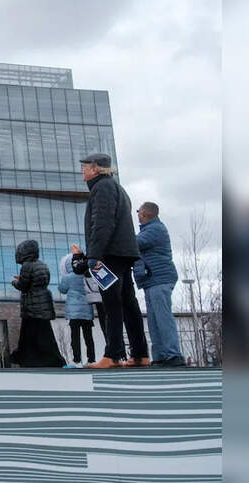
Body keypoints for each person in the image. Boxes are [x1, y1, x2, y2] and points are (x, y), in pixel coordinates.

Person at [78, 153, 148, 369]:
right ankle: (139, 354)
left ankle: (113, 355)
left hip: (110, 255)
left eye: (85, 166)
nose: (83, 170)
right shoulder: (117, 188)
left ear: (96, 169)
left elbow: (102, 223)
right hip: (123, 254)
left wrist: (94, 255)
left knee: (112, 303)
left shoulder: (103, 188)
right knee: (128, 303)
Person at [134, 202, 185, 367]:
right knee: (154, 321)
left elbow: (134, 243)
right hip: (152, 280)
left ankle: (173, 355)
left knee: (162, 318)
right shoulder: (151, 229)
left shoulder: (154, 230)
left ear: (144, 214)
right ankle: (161, 356)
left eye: (138, 212)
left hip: (160, 279)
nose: (137, 215)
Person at [9, 240, 65, 367]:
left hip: (32, 304)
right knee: (45, 334)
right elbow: (38, 281)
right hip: (44, 302)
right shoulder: (42, 265)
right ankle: (51, 359)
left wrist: (15, 283)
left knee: (29, 334)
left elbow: (23, 286)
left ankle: (27, 359)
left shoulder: (27, 266)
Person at [58, 249, 96, 367]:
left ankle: (77, 360)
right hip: (87, 310)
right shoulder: (87, 275)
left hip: (74, 313)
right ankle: (91, 359)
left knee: (75, 337)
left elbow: (62, 290)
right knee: (88, 336)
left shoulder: (68, 277)